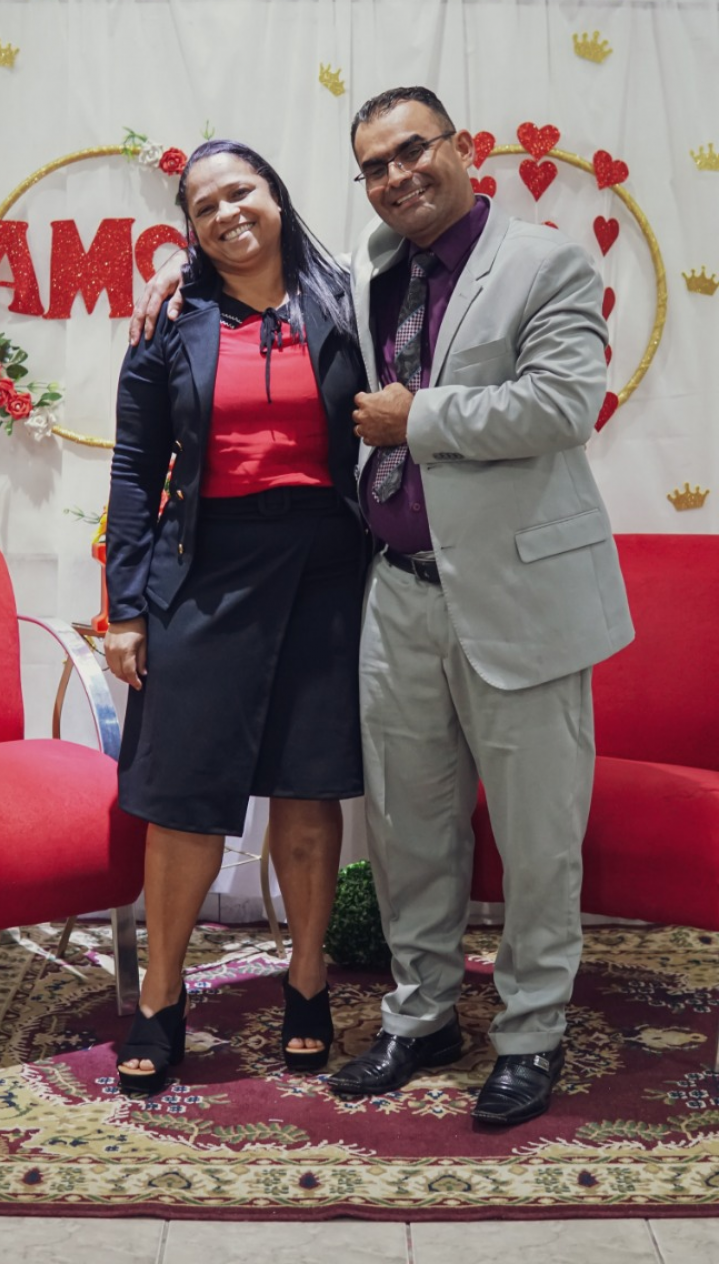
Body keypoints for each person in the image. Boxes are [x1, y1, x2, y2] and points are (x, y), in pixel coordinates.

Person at [130, 87, 634, 1128]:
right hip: (391, 590)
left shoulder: (541, 264)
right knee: (409, 832)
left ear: (461, 148)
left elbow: (564, 404)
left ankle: (529, 1034)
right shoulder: (369, 268)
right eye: (375, 165)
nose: (398, 175)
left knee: (536, 838)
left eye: (413, 151)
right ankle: (420, 1017)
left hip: (507, 594)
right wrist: (176, 267)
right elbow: (243, 280)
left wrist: (420, 418)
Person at [106, 138, 366, 1095]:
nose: (226, 213)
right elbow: (136, 469)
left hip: (327, 569)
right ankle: (161, 997)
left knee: (307, 784)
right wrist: (126, 609)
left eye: (240, 191)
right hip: (204, 568)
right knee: (183, 792)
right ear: (189, 227)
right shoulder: (172, 319)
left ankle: (307, 981)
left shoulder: (346, 300)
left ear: (276, 195)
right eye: (204, 205)